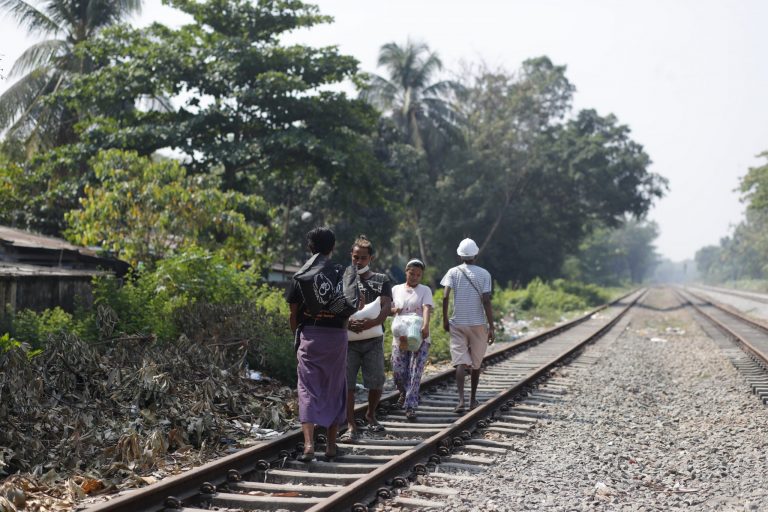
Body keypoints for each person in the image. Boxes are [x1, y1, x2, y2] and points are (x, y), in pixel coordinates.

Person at [287, 227, 355, 462]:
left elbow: (293, 315)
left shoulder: (302, 275)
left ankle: (308, 445)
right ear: (332, 247)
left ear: (310, 247)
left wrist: (298, 335)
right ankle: (332, 446)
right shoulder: (342, 272)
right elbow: (355, 303)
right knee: (334, 387)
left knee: (307, 388)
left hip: (311, 336)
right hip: (337, 337)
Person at [344, 235, 393, 441]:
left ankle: (370, 414)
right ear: (351, 256)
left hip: (373, 340)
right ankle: (350, 423)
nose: (358, 262)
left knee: (376, 382)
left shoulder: (381, 280)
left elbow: (386, 307)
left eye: (363, 258)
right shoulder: (344, 278)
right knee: (347, 384)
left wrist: (372, 323)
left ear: (370, 258)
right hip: (348, 341)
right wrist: (348, 323)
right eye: (356, 257)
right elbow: (337, 305)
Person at [440, 238, 495, 413]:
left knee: (460, 362)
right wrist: (491, 327)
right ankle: (472, 400)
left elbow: (445, 296)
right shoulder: (484, 274)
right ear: (476, 254)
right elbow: (486, 301)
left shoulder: (452, 272)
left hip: (458, 323)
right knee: (476, 364)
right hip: (478, 324)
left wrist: (445, 319)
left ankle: (461, 400)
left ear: (460, 255)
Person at [390, 259, 433, 420]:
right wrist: (395, 309)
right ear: (406, 272)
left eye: (418, 275)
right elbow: (388, 309)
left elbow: (426, 308)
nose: (414, 277)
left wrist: (426, 326)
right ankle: (403, 392)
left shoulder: (425, 290)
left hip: (418, 335)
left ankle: (410, 406)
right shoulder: (396, 289)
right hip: (400, 335)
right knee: (398, 371)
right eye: (411, 273)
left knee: (415, 372)